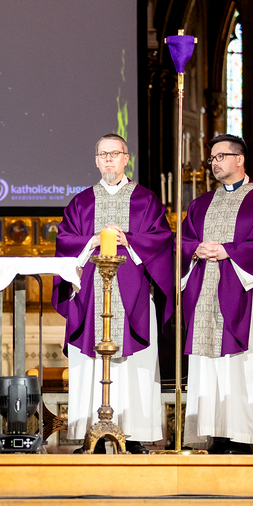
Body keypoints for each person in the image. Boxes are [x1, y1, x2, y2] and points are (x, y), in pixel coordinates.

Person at [53, 133, 174, 453]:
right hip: (90, 297)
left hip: (133, 296)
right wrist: (89, 242)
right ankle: (90, 435)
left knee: (134, 367)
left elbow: (162, 240)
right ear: (96, 161)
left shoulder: (145, 200)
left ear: (126, 159)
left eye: (115, 153)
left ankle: (133, 435)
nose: (108, 159)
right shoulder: (81, 202)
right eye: (103, 154)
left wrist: (130, 240)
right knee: (89, 365)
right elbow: (64, 241)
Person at [181, 135, 253, 454]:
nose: (214, 163)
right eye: (211, 158)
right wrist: (195, 249)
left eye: (220, 156)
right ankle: (215, 435)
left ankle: (241, 437)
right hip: (204, 293)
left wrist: (229, 251)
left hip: (243, 293)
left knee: (241, 365)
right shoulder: (201, 204)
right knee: (208, 367)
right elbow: (182, 242)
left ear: (240, 159)